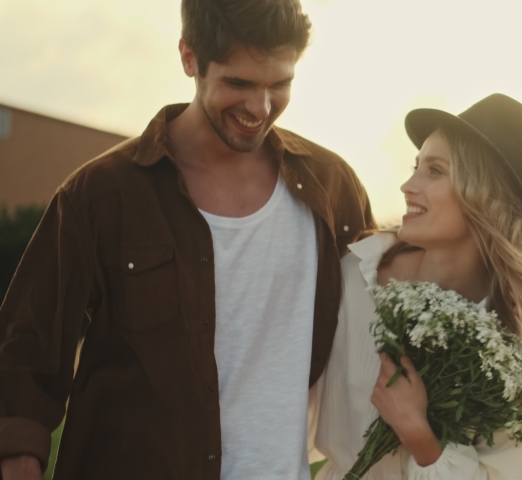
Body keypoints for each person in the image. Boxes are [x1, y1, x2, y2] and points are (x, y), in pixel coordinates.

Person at [0, 1, 374, 479]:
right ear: (189, 58)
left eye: (279, 84)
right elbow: (22, 362)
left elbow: (386, 315)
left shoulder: (332, 188)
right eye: (239, 83)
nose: (260, 109)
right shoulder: (101, 195)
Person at [311, 93, 522, 479]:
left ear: (485, 195)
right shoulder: (354, 276)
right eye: (416, 166)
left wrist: (420, 435)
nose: (407, 185)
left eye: (434, 171)